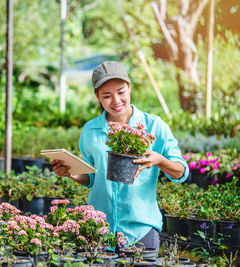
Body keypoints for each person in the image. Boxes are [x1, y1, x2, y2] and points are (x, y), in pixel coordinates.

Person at [52, 61, 189, 251]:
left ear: (130, 87)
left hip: (141, 231)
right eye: (107, 95)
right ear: (97, 96)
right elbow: (91, 177)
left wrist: (160, 160)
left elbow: (181, 172)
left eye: (121, 92)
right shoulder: (90, 130)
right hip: (99, 230)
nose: (116, 101)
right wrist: (72, 173)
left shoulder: (154, 126)